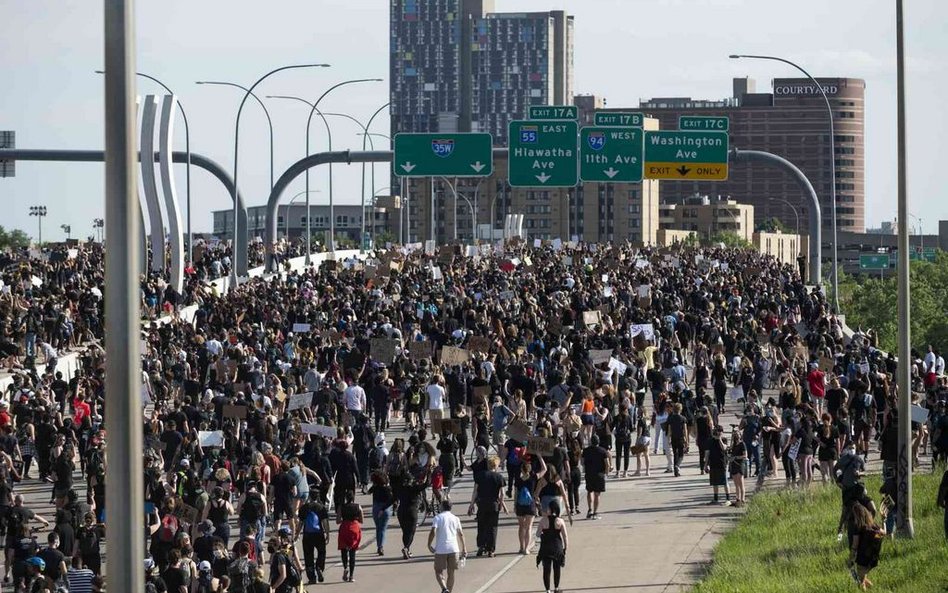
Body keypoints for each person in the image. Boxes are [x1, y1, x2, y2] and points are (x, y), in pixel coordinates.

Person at [468, 456, 506, 557]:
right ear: (496, 465)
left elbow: (475, 491)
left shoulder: (480, 475)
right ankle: (491, 549)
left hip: (482, 503)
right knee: (493, 527)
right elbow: (502, 493)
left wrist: (471, 504)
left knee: (482, 525)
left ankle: (481, 545)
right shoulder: (499, 477)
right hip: (493, 504)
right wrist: (501, 503)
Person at [427, 500, 467, 593]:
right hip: (454, 548)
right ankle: (449, 590)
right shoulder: (456, 518)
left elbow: (433, 531)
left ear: (442, 507)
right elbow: (461, 534)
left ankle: (444, 589)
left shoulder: (437, 518)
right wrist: (464, 547)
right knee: (451, 572)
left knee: (438, 571)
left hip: (441, 549)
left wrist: (429, 544)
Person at [296, 490, 330, 584]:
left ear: (310, 497)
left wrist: (297, 534)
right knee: (321, 552)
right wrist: (327, 533)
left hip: (307, 535)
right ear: (318, 496)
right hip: (319, 534)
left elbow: (300, 523)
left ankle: (311, 577)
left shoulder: (304, 508)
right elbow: (325, 522)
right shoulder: (321, 508)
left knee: (308, 555)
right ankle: (319, 567)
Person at [849, 502, 885, 590]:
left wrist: (851, 557)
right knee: (864, 579)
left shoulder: (857, 527)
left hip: (862, 558)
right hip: (873, 558)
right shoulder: (873, 525)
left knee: (860, 582)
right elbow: (884, 533)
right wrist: (884, 520)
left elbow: (855, 544)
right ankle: (876, 589)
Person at [535, 499, 569, 593]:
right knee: (557, 568)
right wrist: (566, 547)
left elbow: (537, 534)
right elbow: (565, 536)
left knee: (546, 569)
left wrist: (542, 533)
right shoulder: (560, 521)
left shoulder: (543, 520)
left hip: (546, 547)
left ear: (549, 509)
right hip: (557, 547)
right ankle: (556, 588)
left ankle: (547, 590)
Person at [336, 492, 363, 583]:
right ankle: (351, 575)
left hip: (344, 528)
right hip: (354, 528)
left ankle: (345, 567)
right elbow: (361, 520)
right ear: (353, 498)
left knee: (343, 550)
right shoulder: (358, 507)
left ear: (346, 498)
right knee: (352, 552)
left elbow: (338, 521)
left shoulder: (341, 507)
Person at [581, 435, 610, 519]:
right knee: (597, 493)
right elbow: (607, 464)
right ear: (598, 442)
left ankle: (589, 510)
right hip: (599, 474)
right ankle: (595, 512)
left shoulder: (586, 451)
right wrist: (606, 473)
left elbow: (582, 462)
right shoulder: (603, 451)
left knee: (589, 491)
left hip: (589, 473)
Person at [706, 426, 730, 504]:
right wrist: (706, 464)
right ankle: (715, 498)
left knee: (725, 482)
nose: (717, 433)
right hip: (713, 463)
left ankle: (728, 499)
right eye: (716, 431)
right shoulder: (710, 441)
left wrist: (719, 439)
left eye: (719, 431)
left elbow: (724, 448)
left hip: (722, 463)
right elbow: (707, 453)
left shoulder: (724, 440)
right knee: (714, 482)